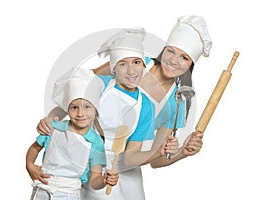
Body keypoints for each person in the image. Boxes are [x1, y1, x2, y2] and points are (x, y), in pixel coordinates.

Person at [33, 28, 178, 200]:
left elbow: (131, 157)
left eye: (137, 62)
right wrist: (49, 119)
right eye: (123, 64)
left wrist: (158, 151)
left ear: (144, 65)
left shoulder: (145, 106)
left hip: (118, 163)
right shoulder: (98, 84)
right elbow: (68, 105)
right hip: (87, 159)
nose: (131, 71)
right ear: (113, 68)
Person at [93, 15, 212, 169]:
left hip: (125, 167)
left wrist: (183, 151)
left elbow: (156, 160)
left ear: (190, 65)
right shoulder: (135, 62)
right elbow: (82, 82)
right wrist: (53, 119)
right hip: (87, 147)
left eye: (184, 57)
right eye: (171, 51)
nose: (174, 61)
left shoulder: (176, 103)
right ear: (163, 50)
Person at [26, 75, 119, 200]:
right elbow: (35, 148)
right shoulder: (53, 128)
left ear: (96, 110)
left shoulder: (96, 142)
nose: (80, 113)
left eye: (87, 107)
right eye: (74, 107)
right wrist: (29, 164)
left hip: (69, 195)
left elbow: (95, 181)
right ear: (67, 109)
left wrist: (104, 180)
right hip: (42, 191)